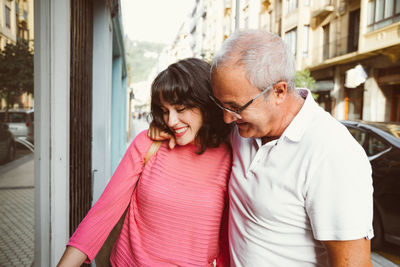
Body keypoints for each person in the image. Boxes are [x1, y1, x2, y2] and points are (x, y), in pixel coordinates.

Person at [150, 30, 374, 266]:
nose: (227, 119)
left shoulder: (332, 153)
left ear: (278, 91)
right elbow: (194, 121)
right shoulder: (243, 127)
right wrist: (161, 128)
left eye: (235, 107)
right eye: (221, 105)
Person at [58, 58, 232, 267]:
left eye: (181, 108)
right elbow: (103, 213)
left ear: (206, 103)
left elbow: (228, 238)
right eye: (165, 111)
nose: (171, 121)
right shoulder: (149, 144)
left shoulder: (231, 154)